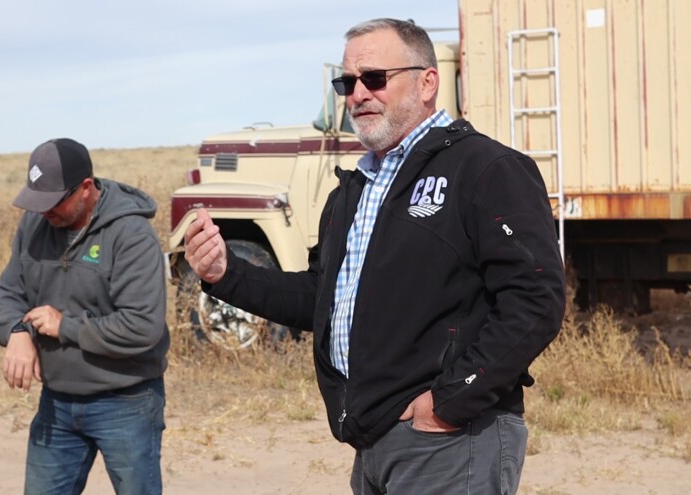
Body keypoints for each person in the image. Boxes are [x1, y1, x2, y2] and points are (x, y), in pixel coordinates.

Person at [184, 18, 566, 495]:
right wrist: (226, 275)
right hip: (375, 438)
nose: (358, 94)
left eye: (374, 78)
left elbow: (536, 300)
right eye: (347, 82)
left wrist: (448, 403)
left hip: (449, 440)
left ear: (428, 82)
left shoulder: (485, 169)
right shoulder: (354, 190)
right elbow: (321, 299)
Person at [0, 137, 169, 495]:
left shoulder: (131, 235)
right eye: (37, 202)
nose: (44, 212)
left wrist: (65, 326)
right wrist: (17, 331)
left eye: (54, 202)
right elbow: (9, 293)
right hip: (56, 402)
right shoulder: (35, 225)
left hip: (126, 401)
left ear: (86, 188)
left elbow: (142, 326)